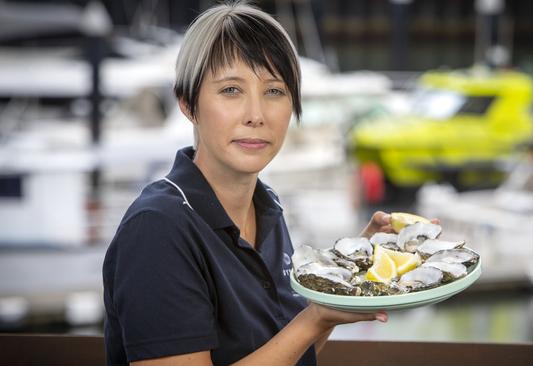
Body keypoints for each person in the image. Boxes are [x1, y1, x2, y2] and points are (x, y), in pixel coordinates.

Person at [102, 2, 394, 365]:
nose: (256, 115)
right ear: (187, 102)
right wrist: (314, 318)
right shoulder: (159, 227)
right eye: (230, 90)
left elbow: (286, 354)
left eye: (274, 91)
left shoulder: (267, 207)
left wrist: (345, 279)